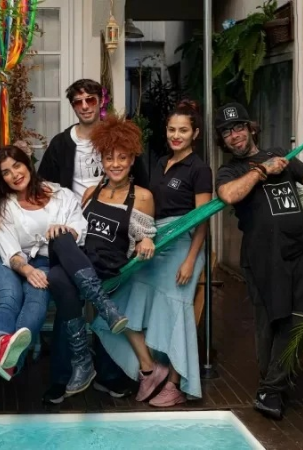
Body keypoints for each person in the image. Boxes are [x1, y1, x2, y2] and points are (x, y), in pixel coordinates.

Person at [214, 102, 303, 420]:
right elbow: (230, 195)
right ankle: (271, 388)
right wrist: (262, 170)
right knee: (271, 322)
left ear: (250, 128)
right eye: (227, 132)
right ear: (222, 140)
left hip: (297, 250)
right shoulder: (230, 171)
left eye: (238, 127)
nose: (234, 135)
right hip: (263, 256)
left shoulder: (278, 153)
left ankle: (271, 388)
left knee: (301, 316)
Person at [92, 100, 212, 407]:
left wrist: (190, 260)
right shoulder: (160, 163)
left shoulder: (199, 169)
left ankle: (176, 383)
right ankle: (149, 367)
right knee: (122, 303)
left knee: (176, 311)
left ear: (195, 133)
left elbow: (202, 220)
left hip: (183, 244)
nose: (176, 135)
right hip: (158, 242)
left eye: (183, 130)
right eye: (172, 129)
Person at [38, 78, 149, 403]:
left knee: (64, 284)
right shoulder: (62, 145)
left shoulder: (119, 139)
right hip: (75, 232)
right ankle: (64, 376)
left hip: (109, 239)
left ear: (101, 101)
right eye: (78, 101)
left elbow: (142, 194)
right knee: (67, 280)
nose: (85, 106)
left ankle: (101, 372)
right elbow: (45, 187)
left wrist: (145, 237)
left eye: (91, 99)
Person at [0, 145, 128, 396]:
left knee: (39, 295)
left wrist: (65, 230)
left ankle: (10, 360)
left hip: (50, 261)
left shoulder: (61, 194)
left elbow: (79, 227)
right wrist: (27, 271)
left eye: (17, 166)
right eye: (6, 172)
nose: (14, 174)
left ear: (28, 164)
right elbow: (9, 251)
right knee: (14, 298)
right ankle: (6, 348)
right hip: (15, 262)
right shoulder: (4, 206)